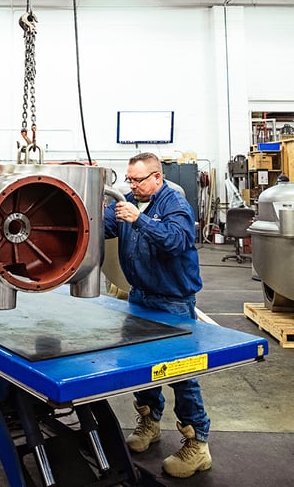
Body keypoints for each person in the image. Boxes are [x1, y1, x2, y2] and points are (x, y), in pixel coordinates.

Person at [103, 152, 212, 479]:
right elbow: (99, 224)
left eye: (138, 180)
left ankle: (198, 445)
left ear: (157, 178)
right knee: (141, 366)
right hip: (140, 297)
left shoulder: (174, 204)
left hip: (173, 302)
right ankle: (149, 422)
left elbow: (177, 240)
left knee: (180, 371)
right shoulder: (125, 203)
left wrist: (140, 220)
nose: (132, 185)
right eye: (129, 179)